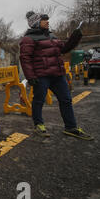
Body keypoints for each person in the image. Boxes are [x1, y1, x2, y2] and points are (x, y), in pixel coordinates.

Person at [20, 11, 93, 140]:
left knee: (66, 100)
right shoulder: (28, 39)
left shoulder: (52, 36)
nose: (48, 21)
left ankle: (71, 127)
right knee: (38, 101)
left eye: (47, 20)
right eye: (44, 20)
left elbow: (63, 49)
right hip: (41, 76)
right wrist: (31, 77)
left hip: (58, 75)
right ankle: (39, 125)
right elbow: (25, 59)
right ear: (36, 23)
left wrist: (75, 37)